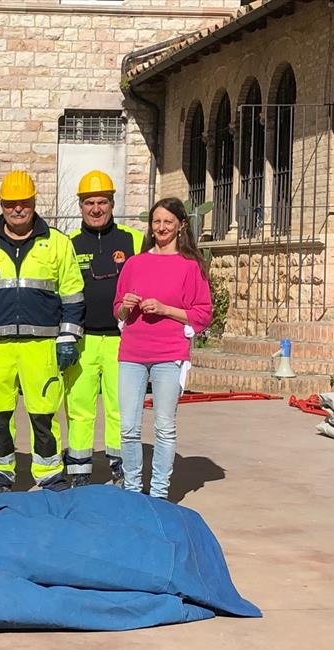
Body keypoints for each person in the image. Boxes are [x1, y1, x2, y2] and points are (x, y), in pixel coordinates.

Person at [0, 170, 84, 495]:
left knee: (43, 413)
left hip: (42, 345)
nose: (17, 209)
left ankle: (49, 474)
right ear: (1, 205)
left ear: (34, 201)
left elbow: (73, 295)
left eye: (24, 202)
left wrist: (68, 337)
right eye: (10, 203)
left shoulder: (57, 243)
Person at [114, 197, 212, 499]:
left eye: (168, 222)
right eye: (156, 221)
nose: (161, 227)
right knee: (128, 427)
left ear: (181, 225)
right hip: (132, 353)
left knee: (164, 426)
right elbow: (118, 311)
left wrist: (165, 309)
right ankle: (132, 489)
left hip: (169, 354)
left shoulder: (190, 267)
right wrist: (126, 306)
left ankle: (158, 493)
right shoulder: (134, 263)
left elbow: (202, 313)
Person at [64, 171, 144, 488]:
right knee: (79, 407)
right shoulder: (69, 244)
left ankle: (120, 468)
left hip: (121, 340)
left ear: (112, 204)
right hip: (82, 340)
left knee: (119, 408)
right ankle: (79, 471)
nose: (96, 209)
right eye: (89, 203)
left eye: (102, 202)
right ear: (80, 206)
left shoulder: (133, 240)